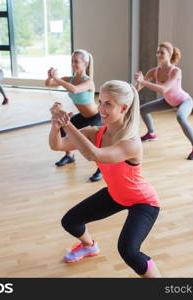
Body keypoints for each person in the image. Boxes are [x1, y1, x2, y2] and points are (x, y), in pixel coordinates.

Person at [49, 80, 161, 277]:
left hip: (142, 202)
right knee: (70, 221)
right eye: (100, 101)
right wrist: (56, 125)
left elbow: (94, 155)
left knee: (128, 251)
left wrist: (69, 125)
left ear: (124, 108)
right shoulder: (95, 132)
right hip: (116, 194)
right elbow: (57, 146)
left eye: (108, 104)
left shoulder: (131, 143)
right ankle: (89, 246)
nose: (101, 108)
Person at [134, 42, 193, 160]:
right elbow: (138, 88)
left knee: (180, 117)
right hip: (169, 101)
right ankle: (151, 133)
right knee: (142, 110)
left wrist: (143, 81)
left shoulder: (176, 71)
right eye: (157, 52)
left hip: (184, 101)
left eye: (162, 52)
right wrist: (138, 82)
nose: (158, 54)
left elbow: (164, 89)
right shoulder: (153, 71)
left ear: (170, 54)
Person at [45, 49, 102, 182]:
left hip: (95, 117)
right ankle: (70, 156)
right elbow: (49, 84)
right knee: (63, 131)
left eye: (76, 61)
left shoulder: (88, 82)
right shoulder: (70, 79)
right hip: (83, 116)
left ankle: (101, 169)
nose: (73, 64)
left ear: (85, 64)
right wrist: (50, 76)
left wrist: (58, 79)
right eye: (72, 61)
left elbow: (75, 89)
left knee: (97, 143)